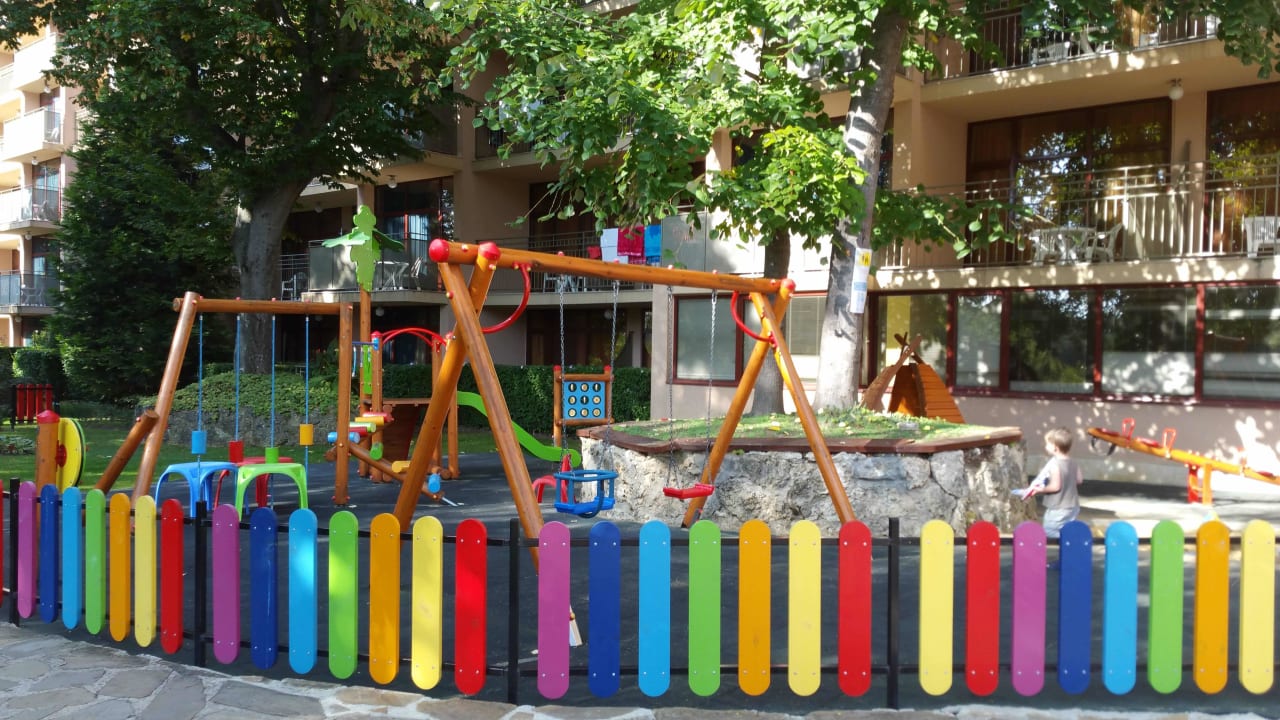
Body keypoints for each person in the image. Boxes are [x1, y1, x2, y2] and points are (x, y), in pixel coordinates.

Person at [1024, 427, 1084, 539]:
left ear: (1055, 447)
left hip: (1058, 507)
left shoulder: (1055, 464)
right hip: (1073, 506)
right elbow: (1079, 480)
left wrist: (1040, 490)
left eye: (1047, 443)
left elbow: (1056, 486)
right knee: (1066, 529)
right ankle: (1070, 545)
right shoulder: (1073, 462)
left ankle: (1070, 541)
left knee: (1050, 532)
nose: (1045, 446)